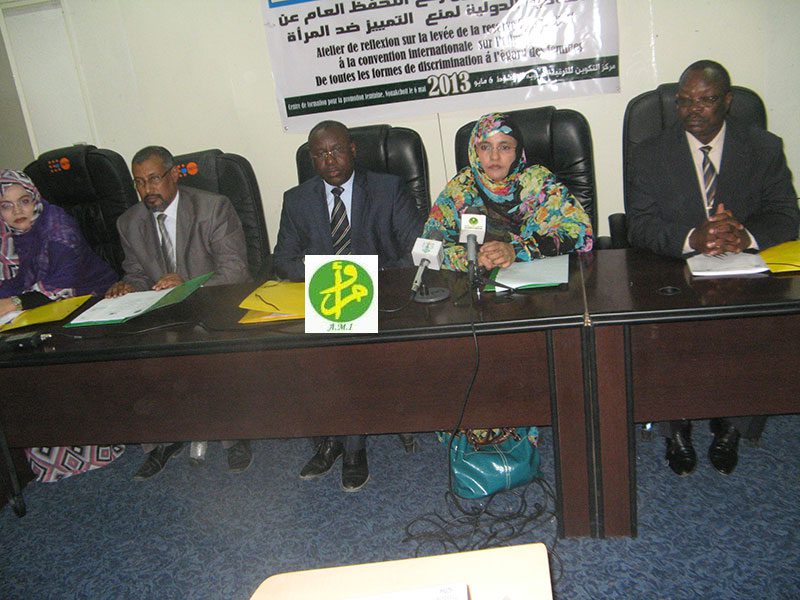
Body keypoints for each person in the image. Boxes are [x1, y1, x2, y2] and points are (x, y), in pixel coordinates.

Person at [626, 60, 800, 476]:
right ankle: (677, 426)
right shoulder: (648, 153)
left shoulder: (763, 147)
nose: (693, 110)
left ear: (727, 101)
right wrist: (693, 237)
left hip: (746, 265)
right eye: (684, 101)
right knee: (662, 324)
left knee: (761, 324)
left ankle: (732, 424)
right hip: (676, 266)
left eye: (705, 100)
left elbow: (786, 215)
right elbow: (639, 225)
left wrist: (745, 236)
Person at [273, 120, 422, 491]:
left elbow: (415, 250)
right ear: (311, 159)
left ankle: (352, 448)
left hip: (381, 296)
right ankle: (328, 439)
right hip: (325, 297)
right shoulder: (296, 199)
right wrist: (330, 274)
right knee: (297, 350)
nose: (330, 160)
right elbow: (283, 261)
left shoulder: (388, 189)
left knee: (346, 350)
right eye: (320, 154)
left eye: (337, 150)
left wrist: (363, 276)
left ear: (353, 150)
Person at [106, 146, 253, 480]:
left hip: (214, 305)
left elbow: (236, 271)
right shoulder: (129, 222)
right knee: (133, 353)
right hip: (165, 314)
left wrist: (187, 284)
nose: (147, 189)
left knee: (207, 349)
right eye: (139, 182)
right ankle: (163, 438)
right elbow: (137, 274)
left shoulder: (213, 208)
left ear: (174, 175)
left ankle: (234, 436)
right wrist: (126, 287)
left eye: (154, 179)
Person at [0, 169, 123, 482]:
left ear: (35, 199)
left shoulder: (57, 226)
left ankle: (94, 446)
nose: (17, 211)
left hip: (92, 303)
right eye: (6, 205)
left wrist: (12, 303)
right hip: (40, 311)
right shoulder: (7, 237)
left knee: (46, 357)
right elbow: (11, 284)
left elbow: (59, 288)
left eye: (24, 201)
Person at [422, 112, 593, 272]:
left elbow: (580, 233)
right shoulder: (460, 189)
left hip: (539, 280)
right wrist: (471, 259)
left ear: (518, 151)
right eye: (485, 147)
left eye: (504, 147)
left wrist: (516, 250)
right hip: (480, 284)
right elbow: (427, 248)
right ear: (475, 152)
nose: (494, 157)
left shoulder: (538, 182)